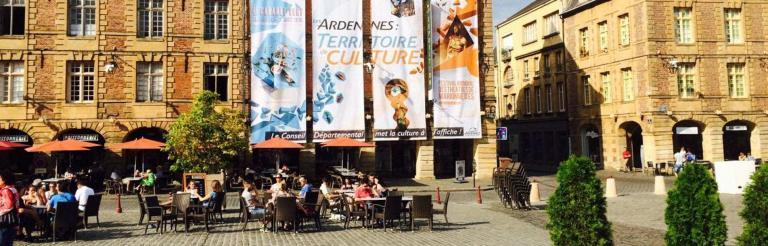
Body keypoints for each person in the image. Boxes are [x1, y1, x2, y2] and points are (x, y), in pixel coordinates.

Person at [0, 172, 19, 245]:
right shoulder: (13, 188)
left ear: (4, 180)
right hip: (13, 219)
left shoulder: (6, 190)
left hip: (5, 220)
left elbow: (9, 206)